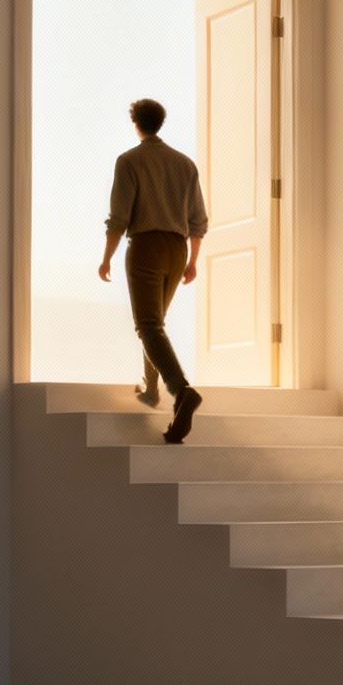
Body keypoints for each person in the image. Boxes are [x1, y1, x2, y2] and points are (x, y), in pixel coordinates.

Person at [98, 98, 206, 443]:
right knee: (154, 323)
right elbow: (197, 222)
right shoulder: (185, 164)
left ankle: (181, 390)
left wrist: (106, 257)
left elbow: (119, 217)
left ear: (136, 124)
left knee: (147, 325)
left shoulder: (130, 161)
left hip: (146, 245)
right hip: (177, 249)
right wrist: (192, 260)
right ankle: (150, 388)